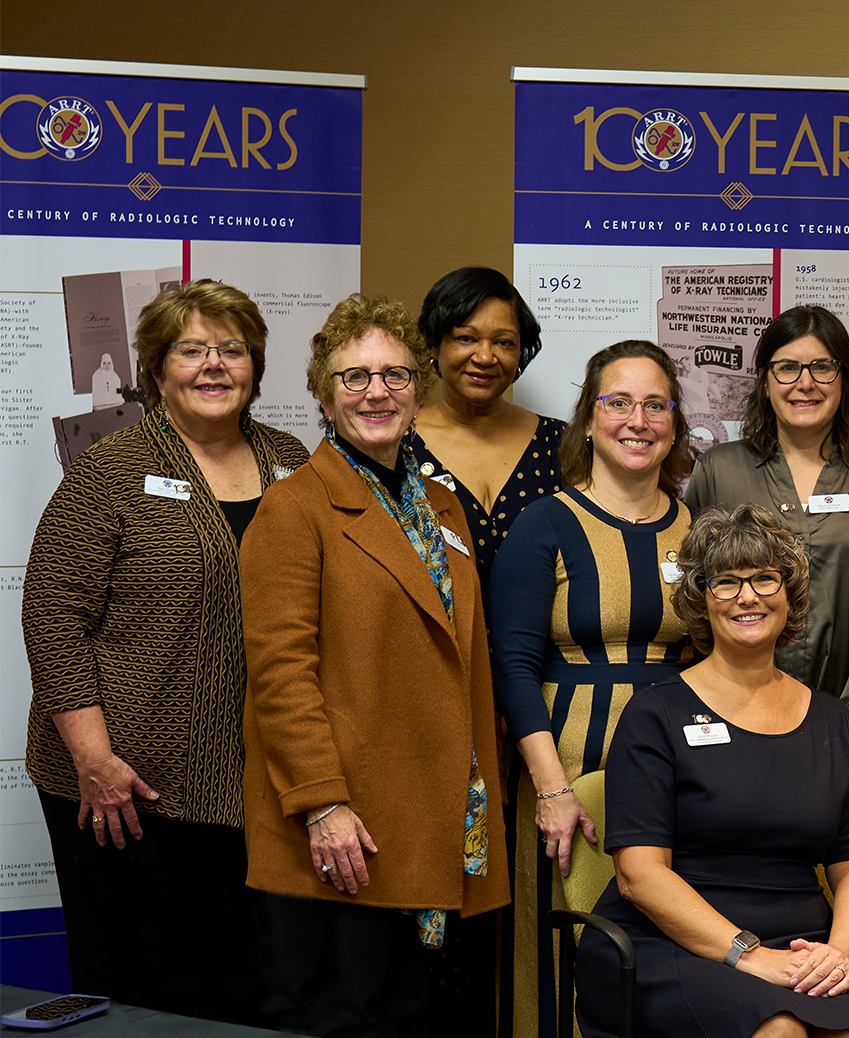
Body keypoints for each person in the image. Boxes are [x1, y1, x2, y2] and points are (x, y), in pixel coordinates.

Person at [23, 280, 307, 1025]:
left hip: (254, 782)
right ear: (155, 371)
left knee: (241, 988)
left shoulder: (291, 460)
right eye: (191, 351)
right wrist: (94, 762)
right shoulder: (109, 471)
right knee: (136, 994)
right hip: (123, 788)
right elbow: (52, 619)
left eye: (232, 350)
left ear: (254, 366)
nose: (214, 366)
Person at [241, 293, 509, 1038]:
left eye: (394, 375)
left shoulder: (439, 507)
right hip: (340, 826)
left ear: (420, 391)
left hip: (428, 815)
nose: (376, 392)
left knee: (402, 1013)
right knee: (339, 1016)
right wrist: (323, 804)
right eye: (353, 377)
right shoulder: (294, 509)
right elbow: (280, 673)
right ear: (324, 398)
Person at [575, 504, 849, 1038]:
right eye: (726, 581)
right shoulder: (656, 714)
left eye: (766, 578)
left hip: (802, 944)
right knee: (780, 1029)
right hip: (670, 942)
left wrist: (841, 953)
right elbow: (639, 875)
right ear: (701, 598)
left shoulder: (833, 720)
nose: (749, 596)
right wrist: (748, 954)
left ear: (789, 594)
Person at [490, 339, 696, 1036]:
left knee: (660, 937)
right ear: (588, 419)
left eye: (655, 404)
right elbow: (512, 665)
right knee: (567, 938)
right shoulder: (546, 522)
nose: (637, 420)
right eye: (618, 403)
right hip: (566, 764)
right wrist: (549, 788)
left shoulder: (694, 530)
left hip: (672, 766)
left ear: (675, 421)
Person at [685, 305, 849, 728]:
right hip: (737, 713)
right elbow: (695, 594)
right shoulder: (719, 470)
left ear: (845, 380)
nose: (805, 383)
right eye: (787, 368)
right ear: (765, 382)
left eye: (822, 367)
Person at [404, 266, 565, 587]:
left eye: (504, 342)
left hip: (540, 637)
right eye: (466, 338)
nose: (485, 356)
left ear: (521, 352)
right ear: (435, 346)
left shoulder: (560, 442)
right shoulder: (397, 443)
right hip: (436, 635)